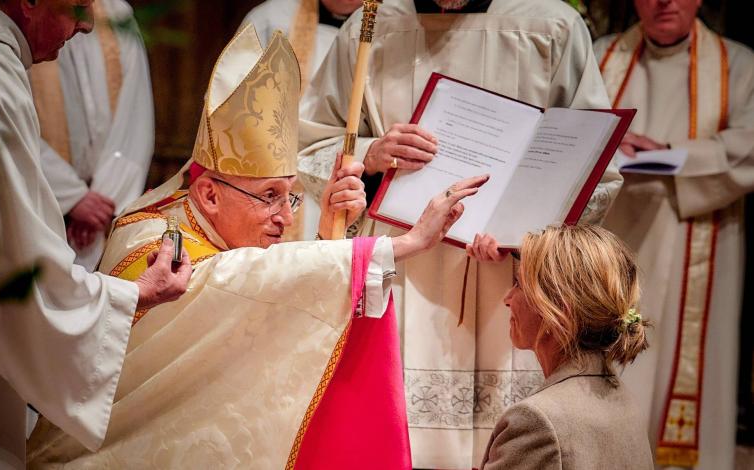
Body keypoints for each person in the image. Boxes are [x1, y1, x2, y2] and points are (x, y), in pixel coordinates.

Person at [26, 25, 487, 468]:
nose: (286, 218)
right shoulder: (151, 241)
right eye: (268, 196)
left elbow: (270, 302)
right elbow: (231, 284)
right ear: (208, 194)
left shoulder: (214, 222)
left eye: (290, 195)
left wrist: (329, 231)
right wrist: (402, 245)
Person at [298, 0, 623, 466]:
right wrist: (372, 154)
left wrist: (527, 241)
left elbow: (596, 167)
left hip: (515, 277)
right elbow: (311, 144)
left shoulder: (550, 25)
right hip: (405, 270)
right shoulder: (374, 24)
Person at [0, 1, 190, 468]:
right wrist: (136, 294)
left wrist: (105, 201)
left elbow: (135, 121)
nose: (85, 23)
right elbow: (17, 274)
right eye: (74, 5)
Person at [594, 0, 754, 467]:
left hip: (696, 233)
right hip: (612, 240)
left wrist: (674, 153)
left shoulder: (738, 64)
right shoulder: (601, 56)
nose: (664, 1)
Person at [478, 224, 653, 469]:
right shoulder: (622, 397)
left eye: (519, 284)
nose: (507, 299)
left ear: (557, 312)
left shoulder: (536, 421)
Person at [30, 0, 154, 270]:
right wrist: (71, 196)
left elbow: (135, 111)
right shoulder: (31, 12)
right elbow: (7, 117)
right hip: (38, 201)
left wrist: (103, 200)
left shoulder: (116, 12)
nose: (84, 25)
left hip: (103, 210)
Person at [242, 0, 363, 242]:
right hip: (275, 179)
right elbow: (235, 112)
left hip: (353, 185)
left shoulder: (392, 24)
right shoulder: (272, 19)